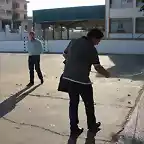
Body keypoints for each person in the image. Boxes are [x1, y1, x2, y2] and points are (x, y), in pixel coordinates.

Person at [62, 28, 110, 138]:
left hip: (68, 78)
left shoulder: (74, 41)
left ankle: (74, 129)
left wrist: (71, 61)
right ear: (93, 38)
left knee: (73, 104)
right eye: (98, 40)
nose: (98, 43)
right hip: (82, 81)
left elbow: (65, 54)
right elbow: (97, 67)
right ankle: (92, 126)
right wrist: (107, 74)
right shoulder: (91, 49)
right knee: (89, 104)